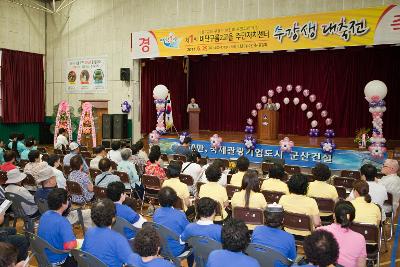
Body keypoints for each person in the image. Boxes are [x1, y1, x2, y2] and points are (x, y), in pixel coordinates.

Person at [81, 199, 137, 266]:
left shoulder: (89, 232)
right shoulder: (118, 239)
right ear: (113, 219)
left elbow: (83, 253)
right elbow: (132, 262)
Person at [318, 201, 367, 267]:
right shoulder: (360, 239)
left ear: (334, 215)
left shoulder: (319, 231)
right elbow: (361, 265)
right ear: (352, 218)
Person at [37, 188, 77, 266]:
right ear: (63, 204)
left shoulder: (45, 215)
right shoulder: (63, 222)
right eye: (67, 199)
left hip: (44, 256)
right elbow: (70, 246)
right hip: (58, 259)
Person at [153, 187, 190, 261]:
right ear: (174, 200)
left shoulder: (156, 212)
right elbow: (189, 231)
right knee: (193, 245)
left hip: (160, 248)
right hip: (176, 250)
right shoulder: (180, 215)